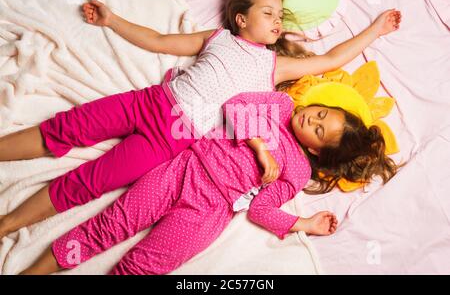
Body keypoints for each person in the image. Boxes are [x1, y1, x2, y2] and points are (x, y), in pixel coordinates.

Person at [0, 0, 402, 238]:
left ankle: (8, 224)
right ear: (241, 19)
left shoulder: (274, 67)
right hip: (149, 103)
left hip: (171, 141)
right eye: (269, 13)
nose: (278, 21)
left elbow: (330, 60)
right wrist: (112, 20)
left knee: (90, 182)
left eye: (281, 16)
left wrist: (376, 29)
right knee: (65, 129)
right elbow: (157, 40)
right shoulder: (219, 38)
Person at [18, 90, 399, 275]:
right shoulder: (281, 106)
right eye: (319, 113)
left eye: (319, 129)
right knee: (108, 226)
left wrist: (304, 224)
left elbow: (261, 208)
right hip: (185, 170)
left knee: (144, 268)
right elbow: (236, 106)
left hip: (209, 212)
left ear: (318, 153)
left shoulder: (298, 172)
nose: (311, 120)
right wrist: (260, 148)